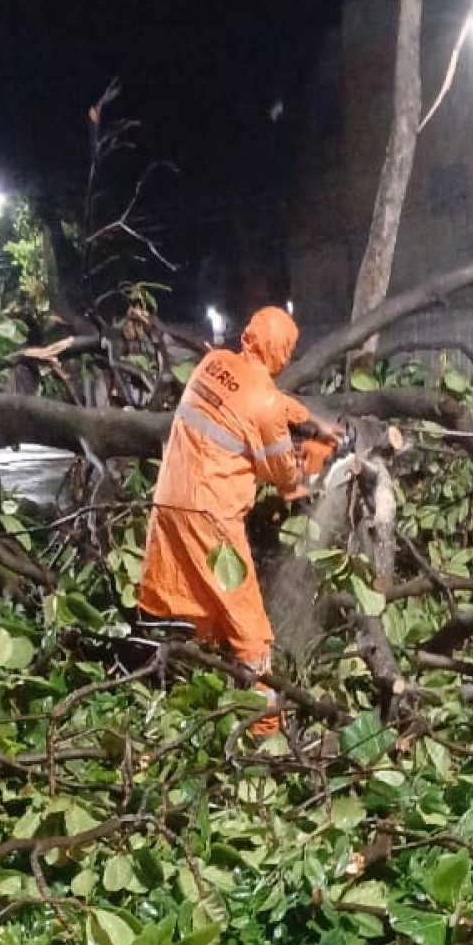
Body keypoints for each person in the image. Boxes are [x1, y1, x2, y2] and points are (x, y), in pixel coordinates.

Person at [138, 305, 338, 730]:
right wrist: (304, 470)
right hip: (211, 516)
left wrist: (312, 422)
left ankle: (191, 697)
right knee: (250, 626)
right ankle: (264, 731)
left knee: (197, 609)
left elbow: (263, 400)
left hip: (171, 502)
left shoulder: (214, 363)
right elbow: (284, 475)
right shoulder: (265, 405)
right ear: (281, 350)